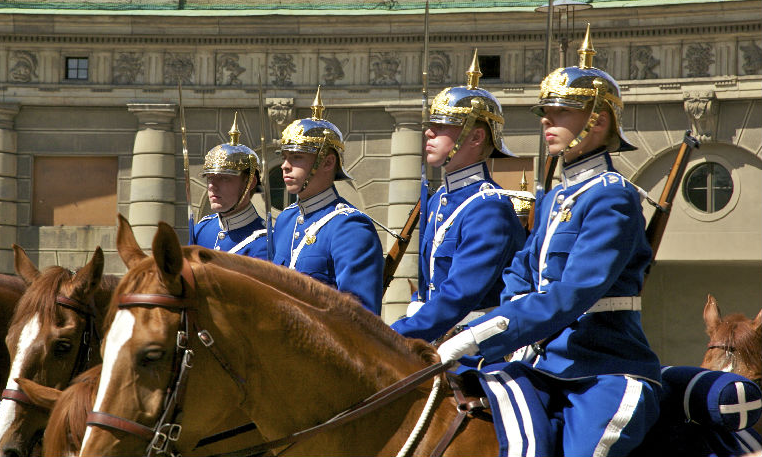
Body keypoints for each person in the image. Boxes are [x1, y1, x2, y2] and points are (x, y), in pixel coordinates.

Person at [438, 25, 661, 457]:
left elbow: (573, 292)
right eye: (545, 111)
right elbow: (520, 273)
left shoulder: (612, 196)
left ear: (597, 120)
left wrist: (485, 333)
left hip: (601, 366)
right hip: (538, 361)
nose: (545, 120)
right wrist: (495, 330)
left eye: (560, 112)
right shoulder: (558, 196)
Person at [391, 53, 527, 343]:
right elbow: (430, 282)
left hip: (473, 345)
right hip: (433, 335)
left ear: (476, 137)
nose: (429, 132)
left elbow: (460, 294)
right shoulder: (439, 198)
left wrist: (398, 334)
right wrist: (416, 305)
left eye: (442, 126)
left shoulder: (489, 207)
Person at [271, 88, 384, 315]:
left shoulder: (350, 226)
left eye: (297, 157)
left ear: (327, 162)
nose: (285, 166)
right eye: (285, 157)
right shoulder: (286, 219)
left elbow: (359, 315)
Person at [194, 113, 269, 259]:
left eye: (224, 178)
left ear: (250, 183)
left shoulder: (264, 241)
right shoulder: (201, 229)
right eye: (210, 178)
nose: (212, 186)